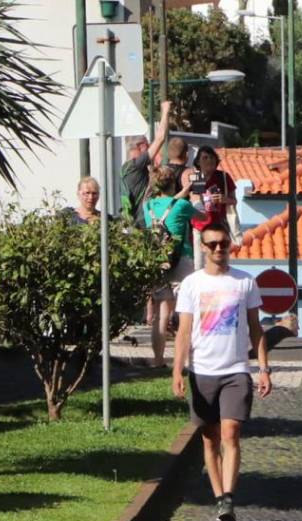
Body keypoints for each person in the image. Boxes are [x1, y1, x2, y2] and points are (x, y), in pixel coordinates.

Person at [172, 222, 272, 521]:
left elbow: (257, 329)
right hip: (202, 370)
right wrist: (177, 370)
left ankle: (228, 498)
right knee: (210, 439)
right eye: (213, 244)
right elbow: (184, 331)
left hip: (236, 370)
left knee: (230, 433)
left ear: (230, 245)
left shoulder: (245, 283)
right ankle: (219, 499)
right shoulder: (192, 285)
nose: (219, 249)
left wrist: (264, 368)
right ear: (203, 247)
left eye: (223, 243)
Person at [144, 166, 201, 368]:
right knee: (186, 313)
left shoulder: (148, 206)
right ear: (173, 183)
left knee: (161, 314)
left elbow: (168, 204)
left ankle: (157, 361)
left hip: (158, 262)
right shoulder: (182, 206)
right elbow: (201, 218)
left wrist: (184, 190)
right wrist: (195, 196)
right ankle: (186, 361)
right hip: (182, 260)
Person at [121, 100, 173, 227]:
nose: (150, 146)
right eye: (148, 144)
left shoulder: (125, 167)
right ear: (141, 146)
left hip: (133, 223)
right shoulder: (137, 165)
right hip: (142, 223)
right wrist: (165, 111)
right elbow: (160, 138)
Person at [185, 146, 237, 267]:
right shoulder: (197, 178)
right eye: (205, 158)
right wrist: (201, 198)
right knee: (198, 264)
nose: (209, 160)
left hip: (219, 226)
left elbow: (234, 201)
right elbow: (196, 201)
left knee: (220, 261)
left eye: (212, 158)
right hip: (200, 227)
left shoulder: (223, 177)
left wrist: (223, 199)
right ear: (198, 162)